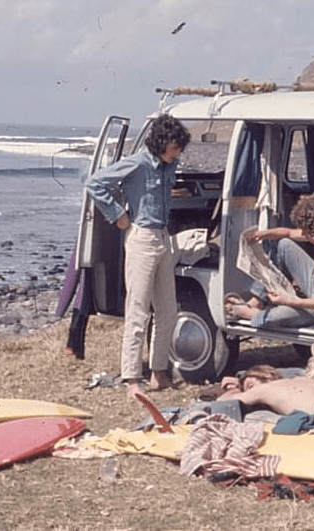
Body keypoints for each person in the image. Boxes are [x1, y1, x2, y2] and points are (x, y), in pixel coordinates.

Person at [85, 114, 191, 396]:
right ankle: (132, 378)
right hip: (142, 238)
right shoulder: (139, 163)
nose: (178, 153)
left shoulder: (171, 164)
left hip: (164, 237)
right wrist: (118, 214)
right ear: (162, 143)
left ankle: (159, 372)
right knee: (139, 309)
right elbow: (96, 182)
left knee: (167, 309)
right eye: (175, 148)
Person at [224, 192, 314, 328]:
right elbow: (288, 233)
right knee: (284, 244)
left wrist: (290, 301)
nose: (303, 234)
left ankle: (251, 313)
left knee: (265, 319)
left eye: (305, 230)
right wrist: (263, 234)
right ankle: (258, 299)